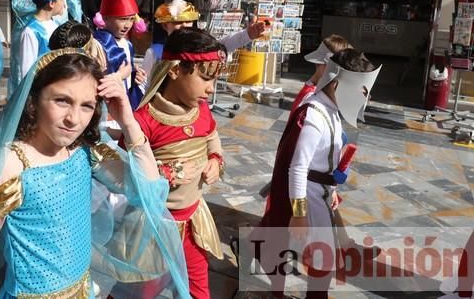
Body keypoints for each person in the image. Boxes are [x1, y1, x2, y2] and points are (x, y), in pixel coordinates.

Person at [0, 48, 190, 299]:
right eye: (62, 100)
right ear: (33, 101)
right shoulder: (14, 165)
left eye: (87, 106)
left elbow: (145, 190)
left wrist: (128, 121)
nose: (74, 119)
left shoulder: (84, 151)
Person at [251, 49, 381, 299]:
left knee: (323, 259)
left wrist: (332, 188)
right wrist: (299, 214)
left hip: (321, 193)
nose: (365, 96)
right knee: (322, 259)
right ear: (338, 83)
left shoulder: (329, 108)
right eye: (361, 89)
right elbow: (297, 168)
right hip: (309, 197)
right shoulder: (314, 113)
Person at [129, 27, 226, 298]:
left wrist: (216, 160)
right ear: (174, 70)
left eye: (214, 81)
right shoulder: (145, 120)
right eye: (206, 78)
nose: (211, 89)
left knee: (198, 289)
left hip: (193, 223)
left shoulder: (202, 110)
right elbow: (127, 173)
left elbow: (212, 138)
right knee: (142, 289)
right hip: (156, 228)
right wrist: (163, 174)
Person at [142, 0, 267, 80]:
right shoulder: (154, 53)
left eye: (188, 21)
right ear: (165, 25)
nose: (184, 25)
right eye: (178, 22)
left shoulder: (198, 46)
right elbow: (146, 85)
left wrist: (246, 35)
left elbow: (222, 45)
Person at [92, 0, 147, 109]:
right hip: (104, 107)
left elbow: (128, 77)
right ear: (105, 18)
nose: (127, 25)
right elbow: (91, 80)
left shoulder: (127, 44)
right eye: (122, 19)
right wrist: (120, 75)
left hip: (124, 104)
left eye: (131, 19)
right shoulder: (96, 44)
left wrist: (135, 75)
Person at [17, 0, 66, 82]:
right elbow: (27, 71)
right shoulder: (31, 32)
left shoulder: (55, 24)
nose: (64, 3)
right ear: (51, 3)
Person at [291, 34, 351, 113]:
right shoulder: (309, 99)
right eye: (335, 67)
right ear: (318, 63)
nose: (339, 72)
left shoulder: (321, 90)